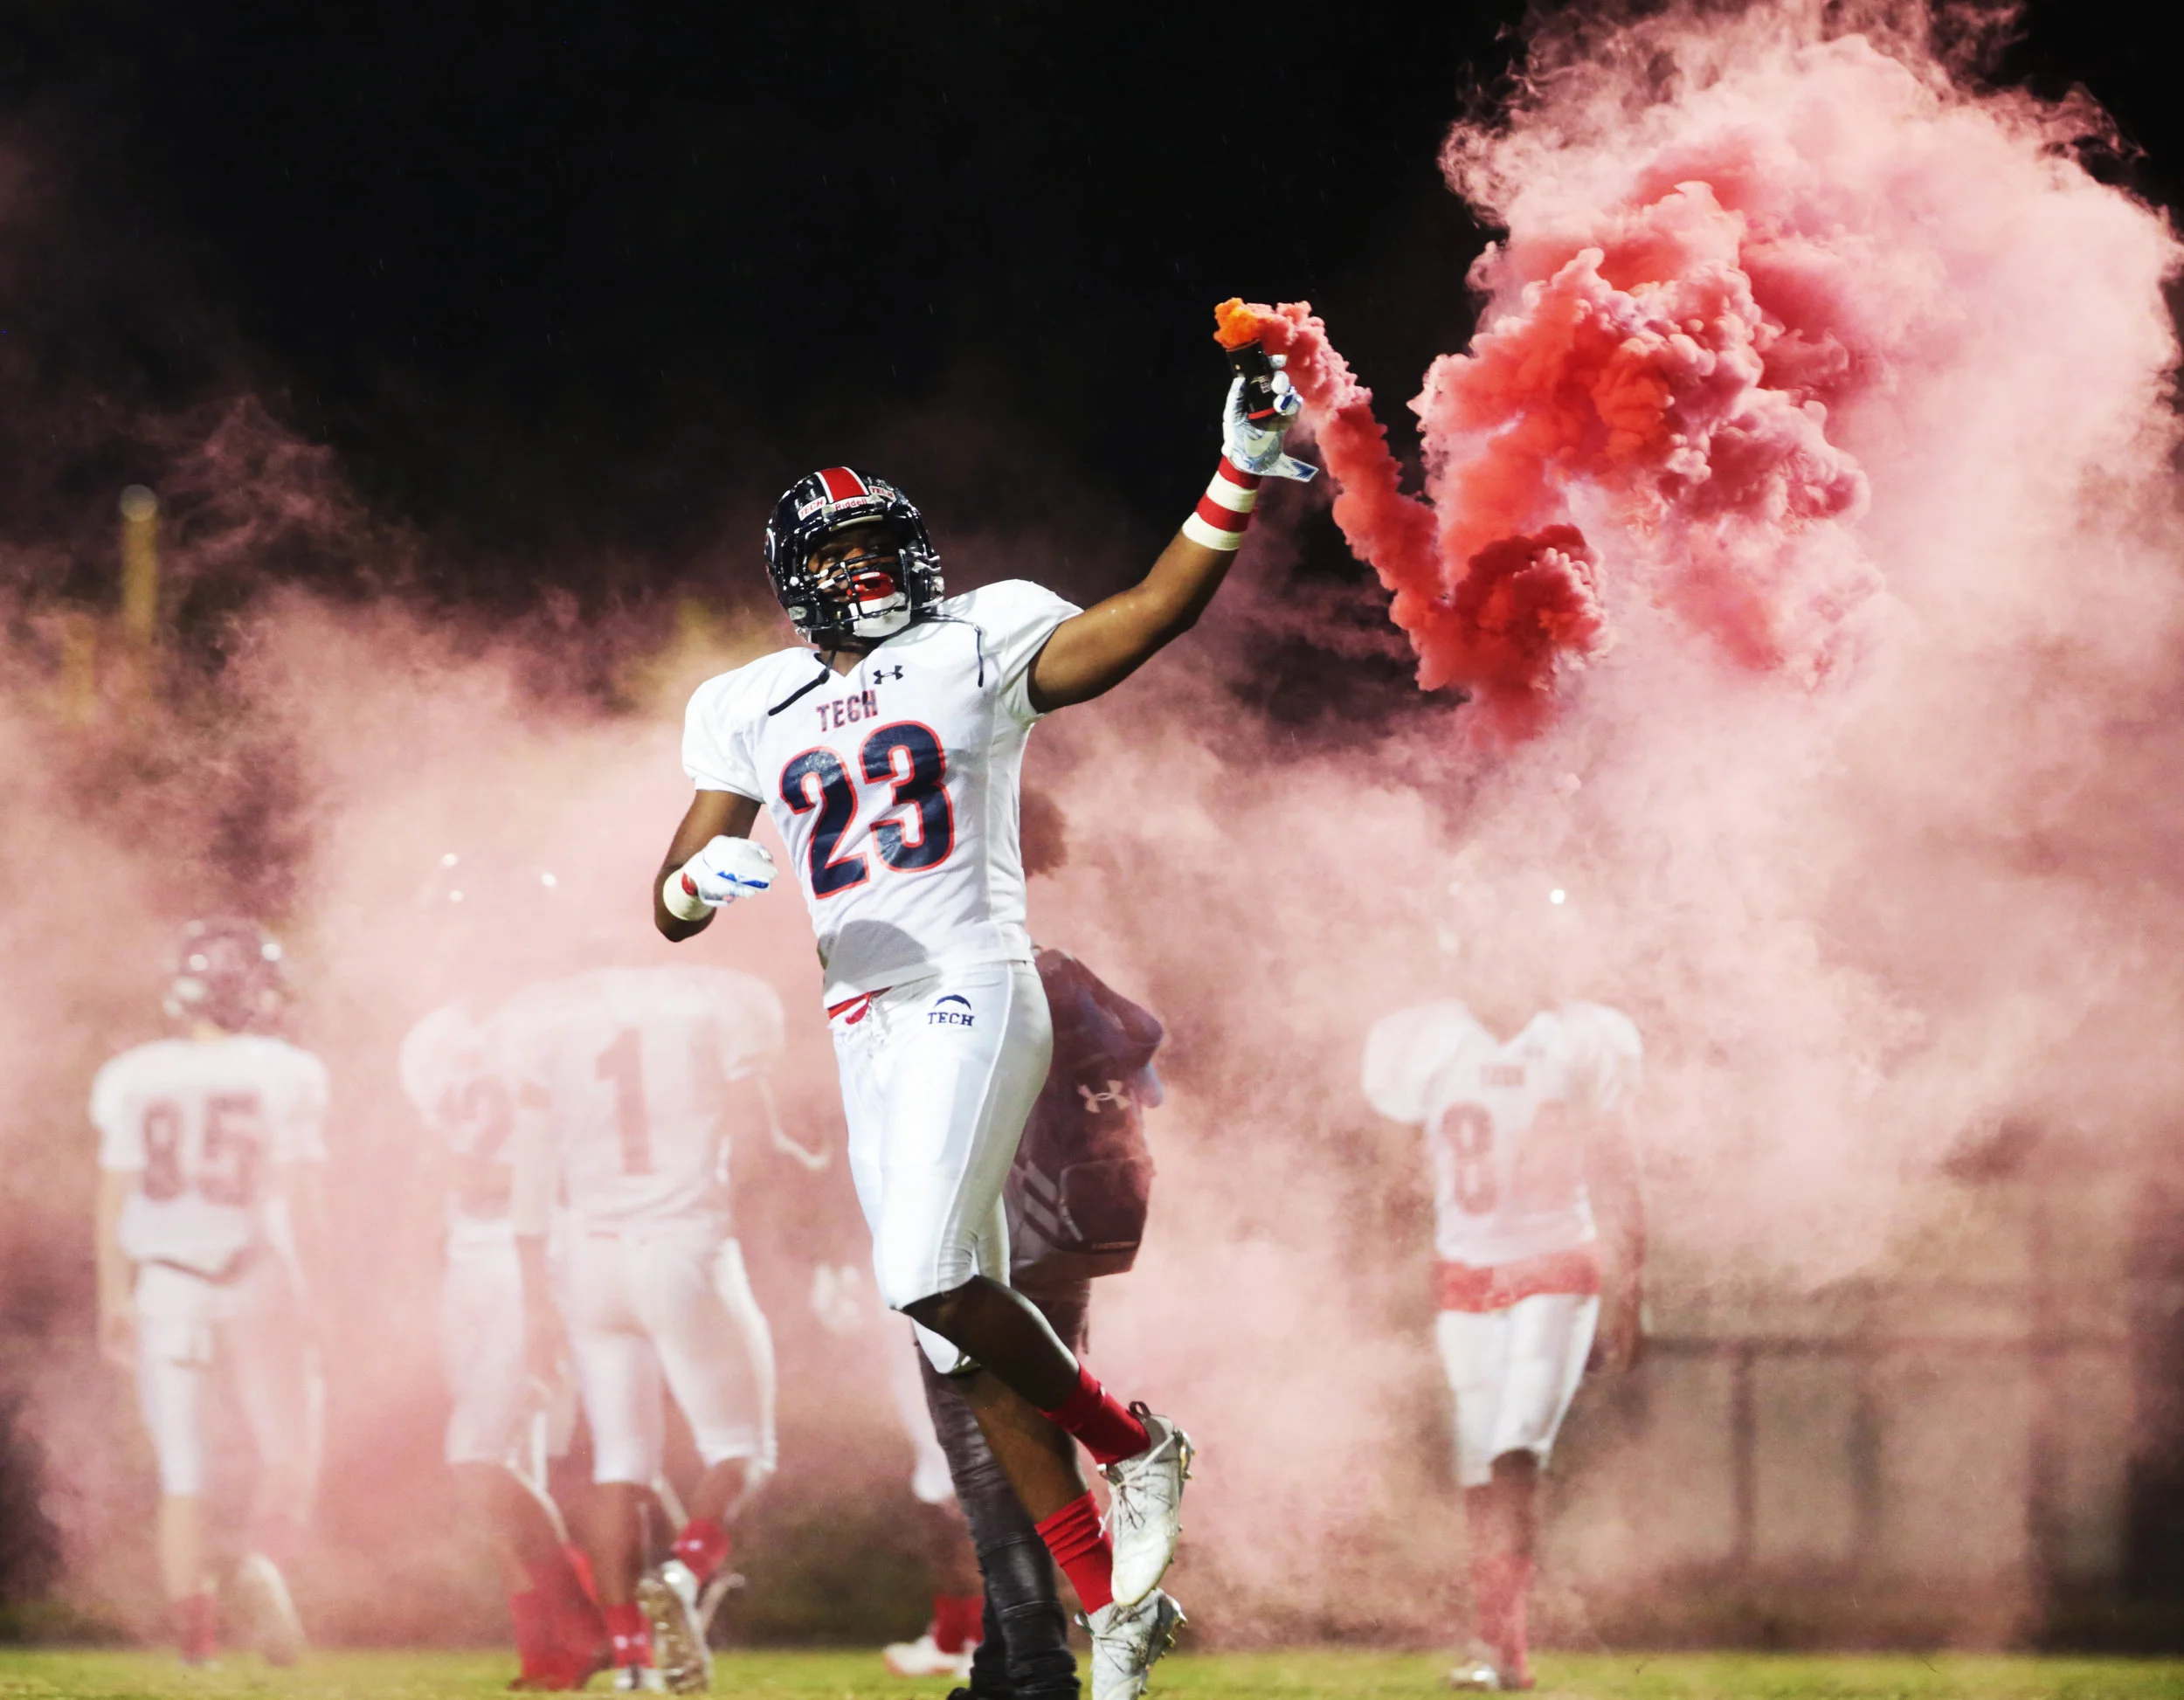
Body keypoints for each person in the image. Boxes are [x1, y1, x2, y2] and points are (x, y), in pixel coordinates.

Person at [650, 357, 1307, 1700]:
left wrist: (1233, 477)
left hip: (968, 978)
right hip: (863, 1020)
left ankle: (1138, 1448)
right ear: (798, 576)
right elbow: (672, 897)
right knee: (958, 1335)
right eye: (847, 551)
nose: (880, 568)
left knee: (925, 1273)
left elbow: (1142, 619)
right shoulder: (743, 703)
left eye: (891, 543)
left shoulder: (977, 638)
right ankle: (1103, 1617)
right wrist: (691, 886)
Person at [1361, 882, 1647, 1692]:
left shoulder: (1578, 1039)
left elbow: (1622, 1167)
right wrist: (1386, 1271)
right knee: (1479, 1464)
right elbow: (1399, 1181)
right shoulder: (1430, 1041)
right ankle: (1500, 1646)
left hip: (1558, 1262)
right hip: (1465, 1273)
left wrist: (1632, 1288)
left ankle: (1508, 1649)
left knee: (1518, 1446)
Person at [510, 964, 787, 1692]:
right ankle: (687, 1572)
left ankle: (632, 1656)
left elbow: (531, 1164)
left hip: (589, 1253)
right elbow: (758, 1139)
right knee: (742, 1449)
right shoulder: (720, 996)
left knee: (620, 1464)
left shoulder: (553, 1009)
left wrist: (535, 1287)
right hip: (684, 1240)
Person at [924, 938, 1164, 1700]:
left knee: (988, 1467)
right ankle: (1002, 1673)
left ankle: (1038, 1671)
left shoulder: (943, 971)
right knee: (1033, 1452)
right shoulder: (1057, 970)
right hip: (1070, 1243)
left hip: (984, 1238)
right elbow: (1145, 1086)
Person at [91, 918, 327, 1667]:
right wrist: (321, 1289)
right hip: (257, 1272)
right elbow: (302, 1194)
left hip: (165, 1285)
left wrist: (113, 1294)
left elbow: (112, 1194)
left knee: (182, 1471)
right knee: (291, 1448)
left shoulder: (133, 1075)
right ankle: (264, 1562)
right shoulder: (285, 1071)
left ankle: (198, 1646)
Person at [400, 992, 607, 1690]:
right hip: (467, 1257)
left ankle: (587, 1624)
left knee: (478, 1455)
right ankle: (544, 1652)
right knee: (507, 1474)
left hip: (542, 1254)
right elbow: (437, 1159)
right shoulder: (433, 1036)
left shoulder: (558, 1022)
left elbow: (576, 1150)